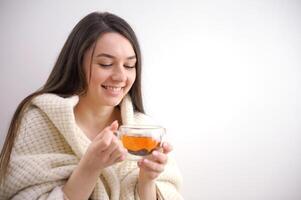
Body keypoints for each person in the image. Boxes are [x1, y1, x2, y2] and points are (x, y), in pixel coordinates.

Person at [0, 12, 183, 200]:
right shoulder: (39, 121)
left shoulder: (145, 130)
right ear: (76, 64)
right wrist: (90, 167)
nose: (120, 76)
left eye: (129, 66)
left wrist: (147, 181)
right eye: (106, 64)